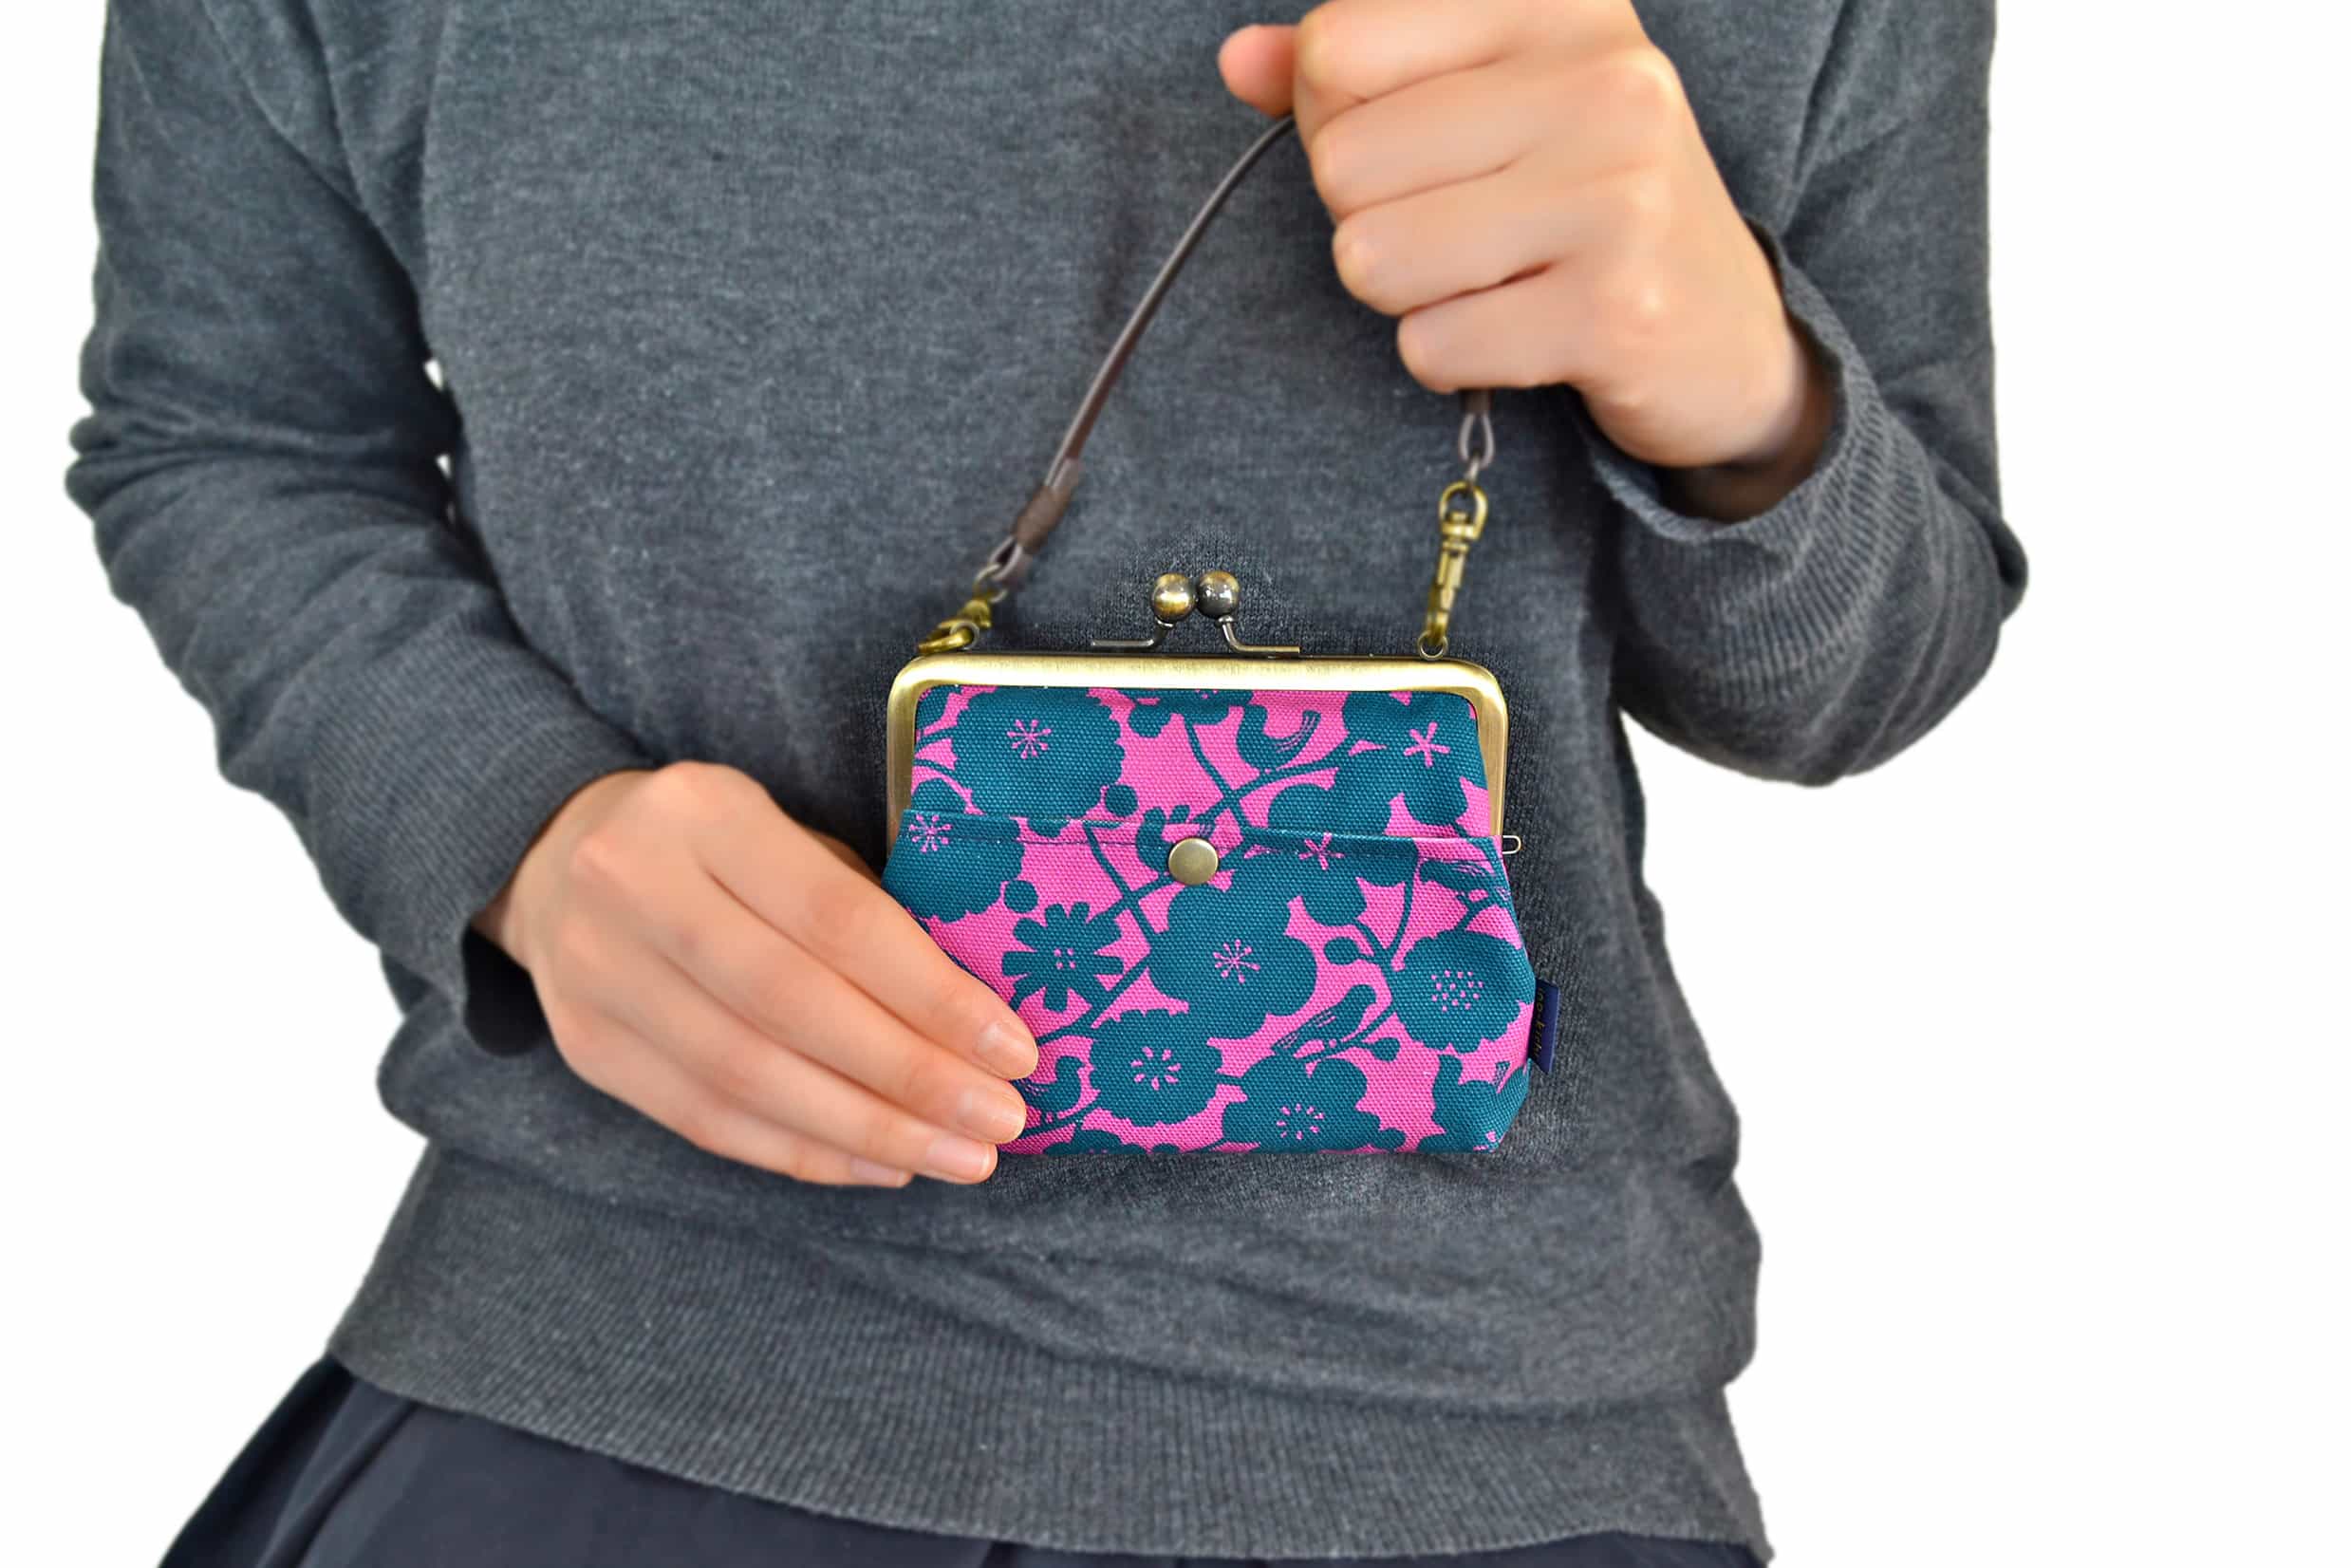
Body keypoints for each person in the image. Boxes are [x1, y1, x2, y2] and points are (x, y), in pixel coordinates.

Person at [68, 0, 2024, 1563]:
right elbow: (226, 435)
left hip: (1456, 1431)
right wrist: (514, 829)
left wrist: (1743, 396)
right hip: (595, 1369)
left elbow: (1858, 679)